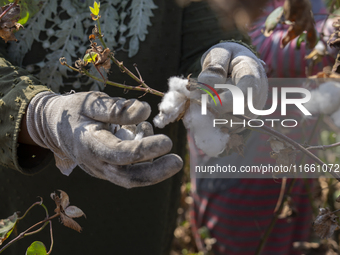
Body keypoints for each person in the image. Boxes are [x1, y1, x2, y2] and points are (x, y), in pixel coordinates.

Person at [0, 0, 255, 254]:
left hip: (139, 206)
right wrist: (40, 117)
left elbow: (205, 27)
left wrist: (227, 60)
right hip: (21, 193)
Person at [190, 0, 337, 254]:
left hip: (294, 166)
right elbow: (260, 49)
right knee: (243, 242)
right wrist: (331, 33)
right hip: (239, 173)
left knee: (290, 240)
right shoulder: (237, 7)